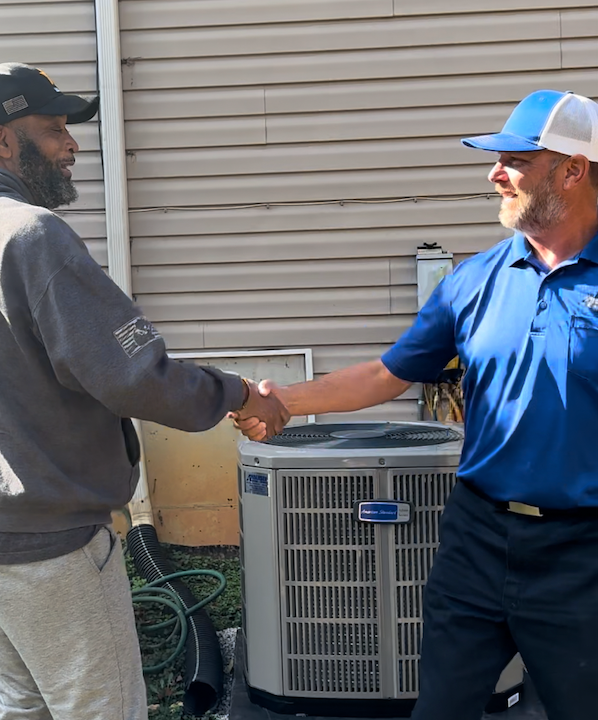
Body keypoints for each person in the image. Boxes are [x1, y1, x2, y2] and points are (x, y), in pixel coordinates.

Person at [0, 62, 288, 720]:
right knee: (104, 708)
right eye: (53, 130)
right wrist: (241, 394)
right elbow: (134, 374)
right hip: (51, 542)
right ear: (1, 140)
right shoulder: (28, 235)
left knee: (21, 702)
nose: (71, 145)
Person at [235, 90, 598, 720]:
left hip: (583, 550)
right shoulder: (474, 280)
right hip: (477, 537)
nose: (495, 174)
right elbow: (387, 373)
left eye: (515, 159)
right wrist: (283, 401)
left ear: (573, 169)